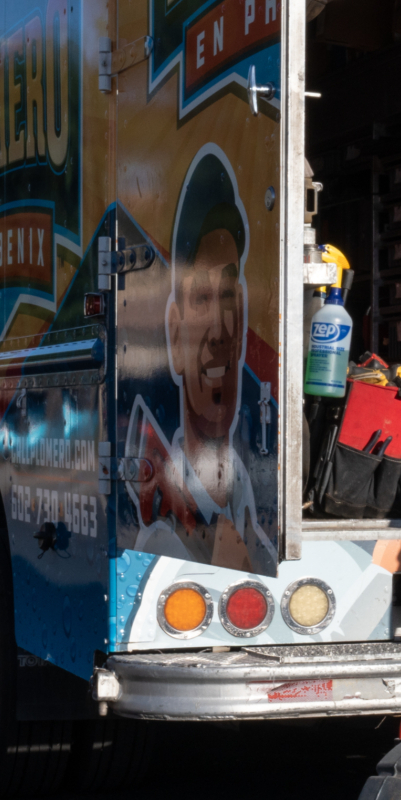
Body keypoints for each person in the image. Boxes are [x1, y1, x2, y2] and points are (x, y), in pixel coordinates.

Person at [127, 150, 276, 574]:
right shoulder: (161, 537)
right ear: (174, 338)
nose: (218, 330)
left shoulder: (248, 492)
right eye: (201, 298)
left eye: (227, 297)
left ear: (242, 320)